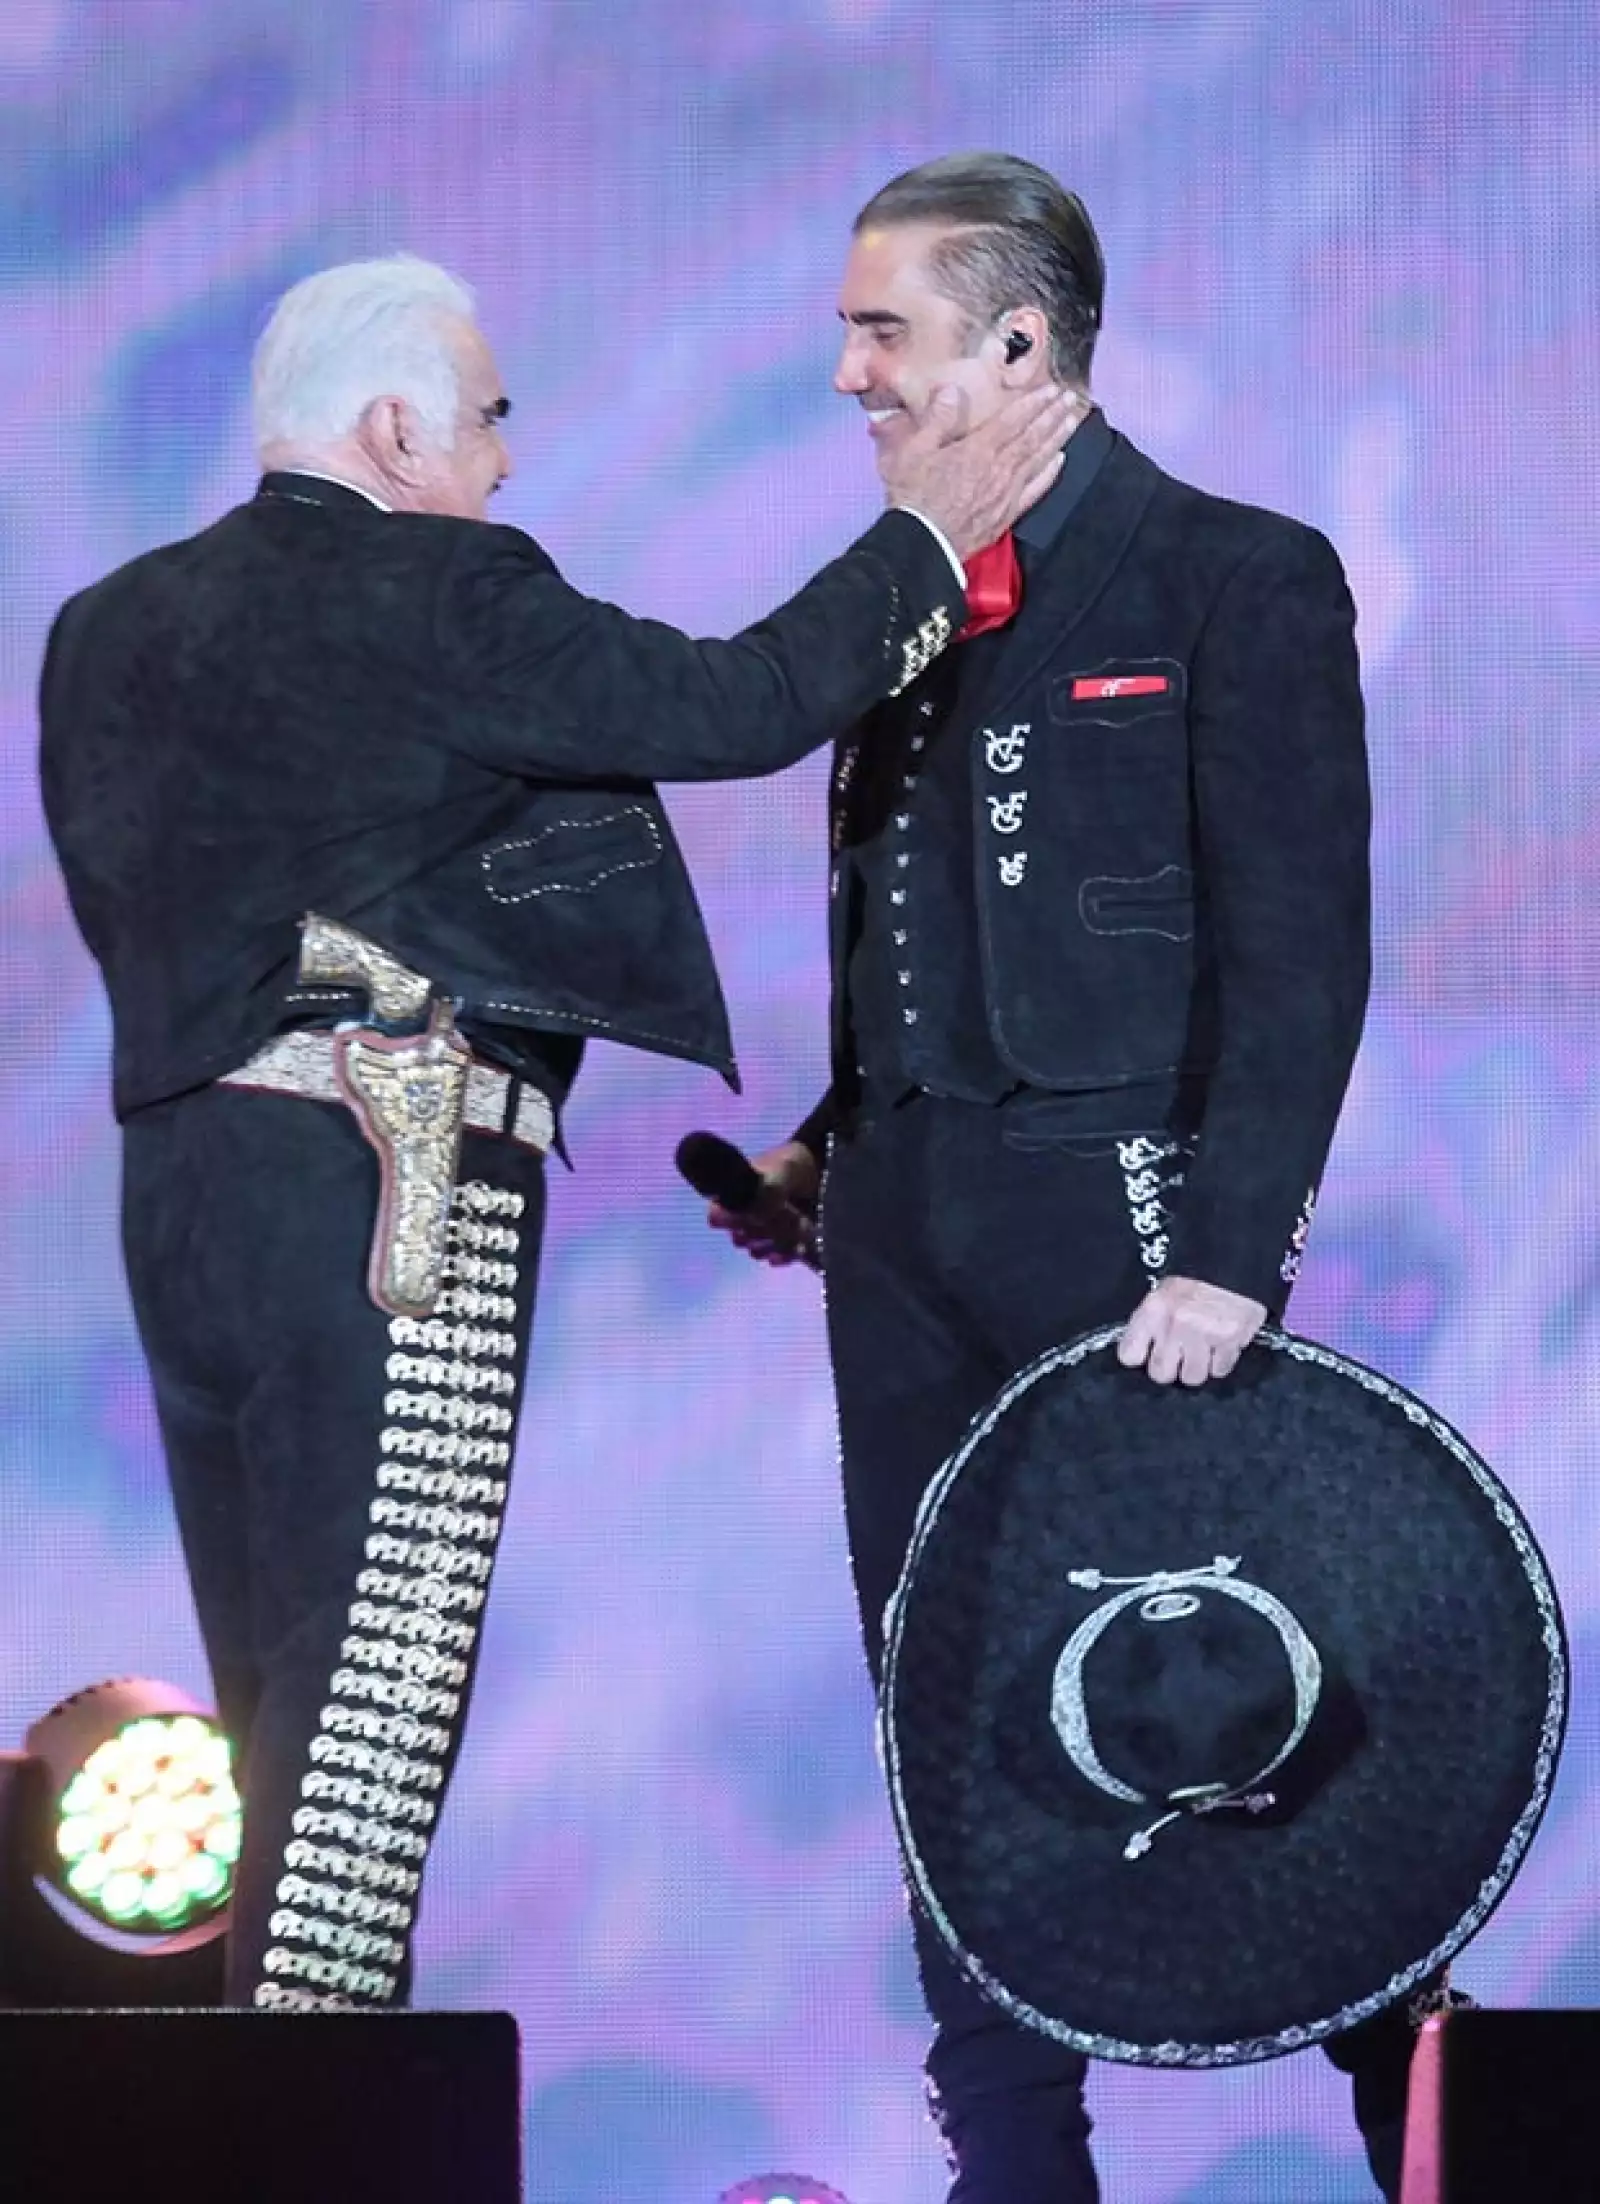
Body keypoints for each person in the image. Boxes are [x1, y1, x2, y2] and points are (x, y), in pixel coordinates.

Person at [37, 251, 1070, 2012]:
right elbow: (732, 703)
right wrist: (930, 540)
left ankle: (262, 2126)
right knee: (361, 1753)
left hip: (188, 1208)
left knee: (289, 1728)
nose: (505, 465)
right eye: (489, 420)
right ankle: (312, 2153)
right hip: (393, 1185)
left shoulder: (105, 627)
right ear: (389, 428)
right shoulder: (438, 588)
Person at [707, 155, 1432, 2203]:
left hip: (1122, 1230)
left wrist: (1226, 1253)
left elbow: (1298, 949)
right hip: (904, 1238)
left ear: (1017, 346)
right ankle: (1015, 2176)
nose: (847, 373)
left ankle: (1431, 2136)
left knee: (1234, 1679)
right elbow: (919, 937)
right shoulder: (903, 597)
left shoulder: (1232, 573)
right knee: (937, 1692)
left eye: (884, 334)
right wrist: (825, 1149)